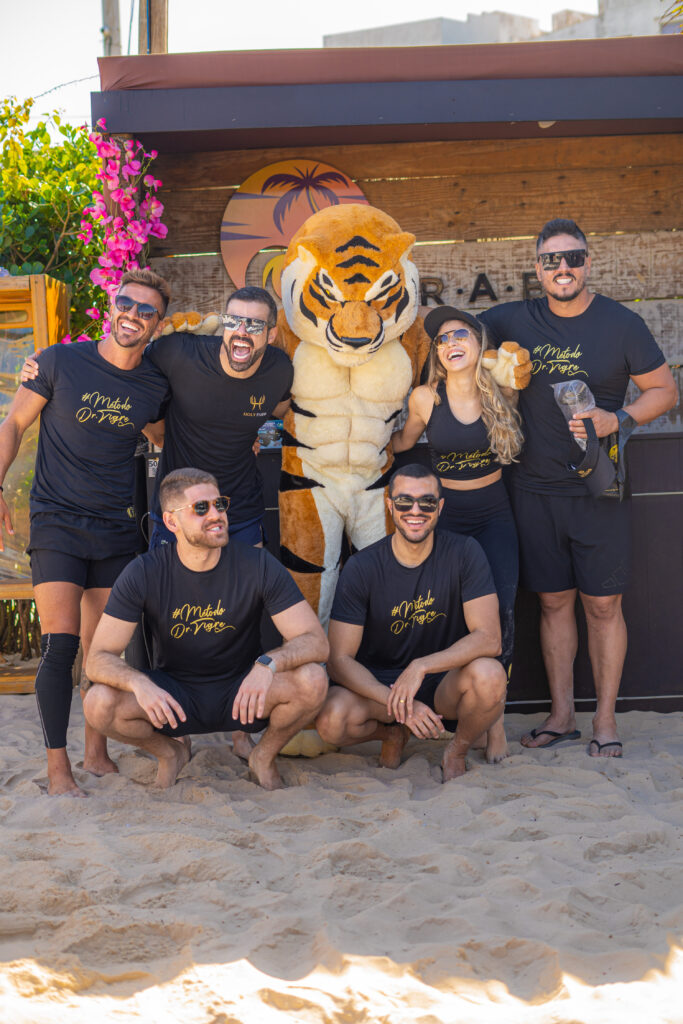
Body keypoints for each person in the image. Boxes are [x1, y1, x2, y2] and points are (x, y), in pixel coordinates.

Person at [478, 218, 678, 757]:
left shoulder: (621, 323)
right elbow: (453, 339)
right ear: (537, 268)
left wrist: (620, 418)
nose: (562, 268)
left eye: (572, 258)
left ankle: (605, 721)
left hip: (599, 489)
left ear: (588, 263)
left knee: (604, 606)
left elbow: (664, 391)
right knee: (552, 603)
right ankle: (562, 716)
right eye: (551, 260)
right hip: (533, 490)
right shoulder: (509, 319)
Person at [0, 269, 171, 795]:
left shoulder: (154, 385)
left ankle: (96, 754)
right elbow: (14, 424)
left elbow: (164, 437)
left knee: (102, 653)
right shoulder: (58, 362)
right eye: (126, 303)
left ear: (158, 325)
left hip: (116, 528)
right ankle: (59, 769)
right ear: (111, 306)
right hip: (57, 521)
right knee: (60, 646)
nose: (133, 315)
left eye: (146, 311)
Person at [84, 467, 329, 790]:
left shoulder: (256, 564)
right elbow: (97, 659)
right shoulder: (144, 572)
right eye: (201, 508)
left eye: (219, 504)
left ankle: (263, 756)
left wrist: (268, 664)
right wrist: (138, 682)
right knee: (98, 703)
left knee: (313, 679)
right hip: (175, 695)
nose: (216, 515)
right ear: (171, 521)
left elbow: (315, 642)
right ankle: (170, 753)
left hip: (244, 691)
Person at [316, 464, 507, 780]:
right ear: (390, 506)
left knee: (490, 675)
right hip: (381, 688)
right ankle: (392, 733)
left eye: (426, 502)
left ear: (440, 507)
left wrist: (421, 666)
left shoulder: (465, 552)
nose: (415, 511)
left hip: (442, 682)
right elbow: (339, 661)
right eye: (404, 501)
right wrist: (401, 703)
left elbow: (489, 638)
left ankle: (456, 750)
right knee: (331, 720)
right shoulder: (362, 567)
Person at [391, 306, 524, 757]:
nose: (451, 344)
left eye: (460, 335)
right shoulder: (425, 398)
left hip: (495, 515)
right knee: (448, 614)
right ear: (437, 354)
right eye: (443, 340)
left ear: (479, 343)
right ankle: (451, 711)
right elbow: (403, 442)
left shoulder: (502, 389)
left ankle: (495, 722)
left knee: (501, 613)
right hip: (447, 518)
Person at [145, 285, 292, 549]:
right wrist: (152, 429)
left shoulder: (279, 370)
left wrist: (257, 434)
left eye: (254, 325)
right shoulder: (179, 352)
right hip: (180, 510)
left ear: (271, 334)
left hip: (240, 511)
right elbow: (131, 375)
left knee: (250, 578)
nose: (242, 332)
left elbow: (280, 412)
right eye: (233, 321)